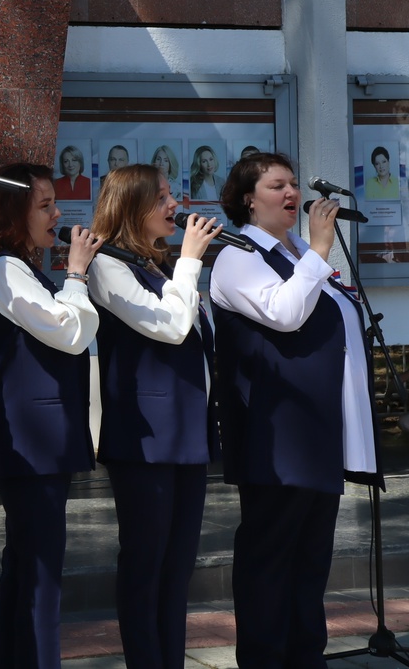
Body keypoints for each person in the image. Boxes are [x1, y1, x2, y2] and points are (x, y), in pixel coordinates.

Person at [209, 152, 379, 669]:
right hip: (275, 435)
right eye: (277, 185)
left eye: (293, 184)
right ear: (247, 199)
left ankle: (306, 657)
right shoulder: (238, 255)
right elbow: (285, 315)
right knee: (270, 557)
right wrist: (321, 250)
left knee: (310, 561)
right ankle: (265, 658)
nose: (291, 194)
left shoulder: (298, 250)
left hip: (315, 432)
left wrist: (315, 252)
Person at [0, 163, 102, 669]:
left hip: (42, 438)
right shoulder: (4, 268)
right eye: (44, 205)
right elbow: (70, 332)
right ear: (11, 213)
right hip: (31, 441)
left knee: (25, 566)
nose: (58, 214)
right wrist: (76, 274)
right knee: (41, 570)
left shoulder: (23, 268)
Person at [87, 164, 221, 669]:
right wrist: (189, 263)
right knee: (146, 561)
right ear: (132, 206)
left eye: (170, 193)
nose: (174, 204)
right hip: (145, 439)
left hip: (187, 434)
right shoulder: (107, 265)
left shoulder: (159, 263)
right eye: (161, 196)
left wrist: (180, 266)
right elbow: (168, 326)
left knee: (178, 565)